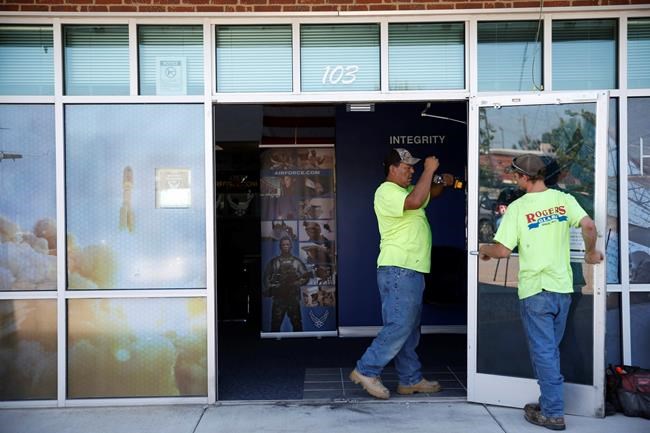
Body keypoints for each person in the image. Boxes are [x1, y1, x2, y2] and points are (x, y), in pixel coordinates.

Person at [478, 154, 603, 431]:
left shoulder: (518, 208)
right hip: (562, 290)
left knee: (544, 353)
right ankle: (548, 402)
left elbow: (502, 251)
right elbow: (589, 225)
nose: (514, 179)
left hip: (536, 291)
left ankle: (553, 413)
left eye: (516, 175)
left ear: (525, 177)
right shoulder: (564, 200)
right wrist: (591, 252)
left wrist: (483, 249)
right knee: (550, 351)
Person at [349, 147, 453, 400]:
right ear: (392, 168)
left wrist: (440, 181)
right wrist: (430, 170)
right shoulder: (386, 191)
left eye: (414, 167)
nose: (412, 171)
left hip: (411, 269)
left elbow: (428, 193)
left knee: (409, 328)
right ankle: (366, 370)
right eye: (407, 167)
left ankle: (410, 379)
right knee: (400, 324)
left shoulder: (406, 191)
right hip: (399, 269)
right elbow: (416, 201)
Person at [262, 236, 310, 332]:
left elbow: (305, 277)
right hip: (279, 298)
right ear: (280, 246)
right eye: (283, 245)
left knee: (297, 323)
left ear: (291, 246)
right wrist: (273, 287)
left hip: (293, 298)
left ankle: (299, 341)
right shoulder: (274, 262)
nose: (285, 246)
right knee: (275, 324)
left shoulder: (297, 262)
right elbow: (266, 277)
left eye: (287, 244)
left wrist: (296, 283)